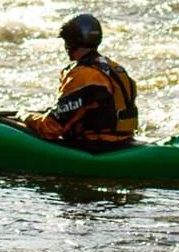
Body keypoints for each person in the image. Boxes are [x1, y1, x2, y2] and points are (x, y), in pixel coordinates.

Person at [22, 13, 138, 151]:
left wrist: (24, 115)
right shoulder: (115, 69)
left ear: (71, 42)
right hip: (124, 141)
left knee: (35, 125)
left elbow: (50, 128)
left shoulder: (83, 75)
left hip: (98, 146)